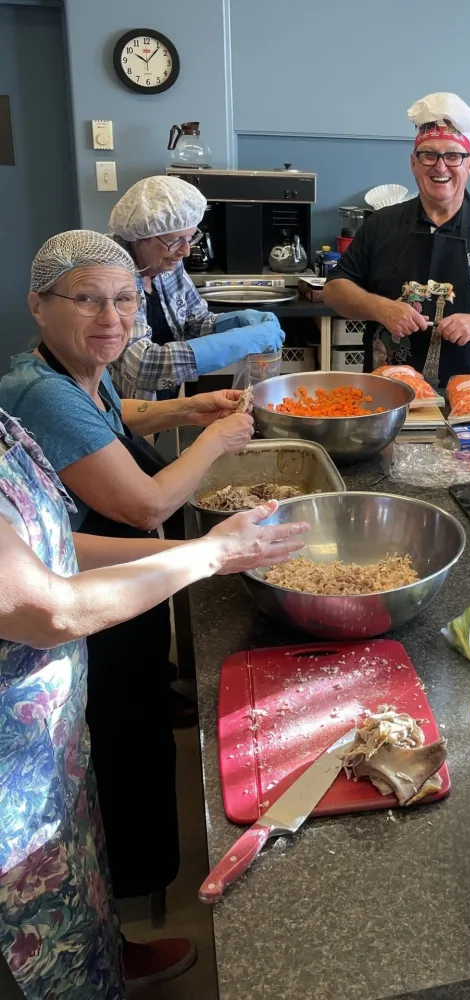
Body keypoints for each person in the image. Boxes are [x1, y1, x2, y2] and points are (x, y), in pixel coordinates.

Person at [0, 400, 307, 999]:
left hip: (47, 739)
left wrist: (197, 557)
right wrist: (207, 556)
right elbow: (47, 608)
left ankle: (104, 962)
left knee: (72, 874)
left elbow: (53, 548)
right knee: (25, 934)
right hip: (9, 775)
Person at [0, 231, 257, 912]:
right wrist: (214, 441)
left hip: (118, 597)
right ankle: (135, 889)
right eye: (87, 300)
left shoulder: (69, 369)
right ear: (38, 305)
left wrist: (184, 408)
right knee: (122, 746)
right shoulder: (40, 394)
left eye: (123, 299)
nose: (111, 318)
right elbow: (145, 507)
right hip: (97, 616)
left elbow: (110, 419)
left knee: (136, 723)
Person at [322, 92, 470, 387]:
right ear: (414, 163)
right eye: (429, 154)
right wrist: (381, 309)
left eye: (453, 155)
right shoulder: (381, 225)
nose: (440, 167)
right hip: (388, 391)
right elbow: (335, 290)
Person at [107, 175, 286, 400]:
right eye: (175, 241)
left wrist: (232, 323)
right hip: (117, 412)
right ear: (140, 237)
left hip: (161, 406)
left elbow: (194, 323)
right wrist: (241, 341)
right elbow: (142, 366)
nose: (186, 251)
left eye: (190, 238)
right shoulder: (110, 276)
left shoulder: (167, 264)